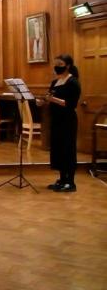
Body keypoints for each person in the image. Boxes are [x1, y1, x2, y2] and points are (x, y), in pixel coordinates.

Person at [38, 54, 81, 192]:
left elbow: (70, 104)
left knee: (68, 150)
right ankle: (62, 179)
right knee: (58, 149)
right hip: (56, 120)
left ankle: (70, 182)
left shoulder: (73, 82)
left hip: (67, 120)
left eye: (60, 64)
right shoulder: (55, 82)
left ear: (67, 66)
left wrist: (52, 99)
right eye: (56, 64)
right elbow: (49, 97)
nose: (57, 67)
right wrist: (42, 101)